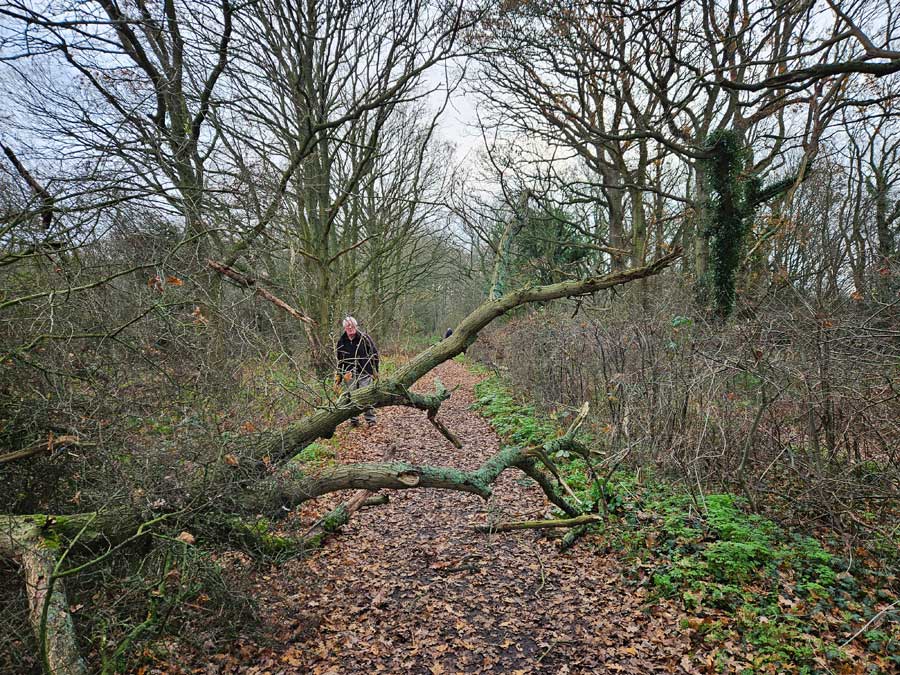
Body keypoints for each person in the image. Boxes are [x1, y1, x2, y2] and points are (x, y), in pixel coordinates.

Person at [336, 316, 379, 427]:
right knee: (351, 397)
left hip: (365, 372)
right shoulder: (341, 342)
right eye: (348, 326)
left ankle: (371, 420)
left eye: (352, 325)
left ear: (356, 326)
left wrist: (375, 371)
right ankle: (354, 420)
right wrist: (339, 377)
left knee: (367, 396)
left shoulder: (365, 338)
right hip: (349, 374)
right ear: (345, 328)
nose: (350, 328)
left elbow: (374, 354)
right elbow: (340, 361)